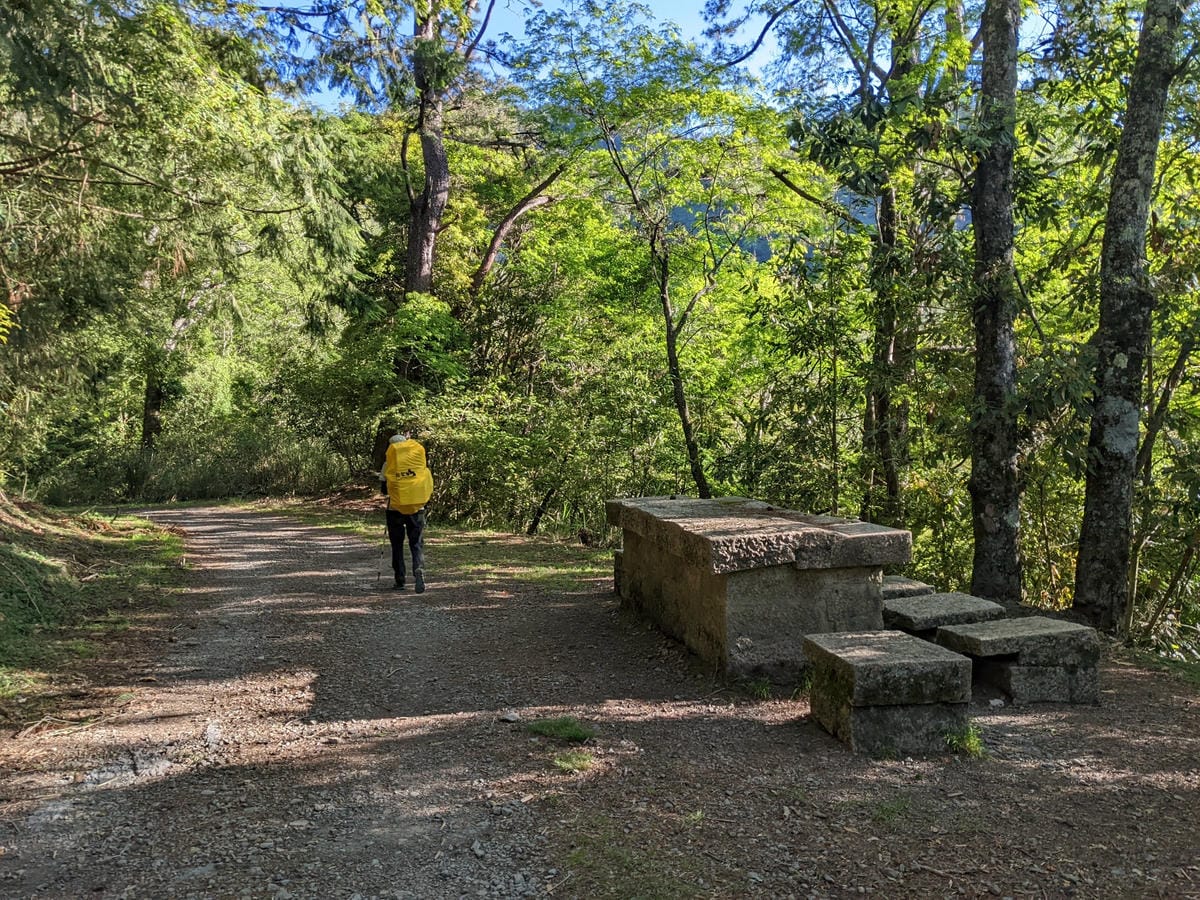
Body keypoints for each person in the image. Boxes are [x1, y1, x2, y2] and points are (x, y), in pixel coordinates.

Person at [379, 427, 433, 592]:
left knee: (397, 545)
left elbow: (384, 490)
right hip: (417, 508)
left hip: (395, 509)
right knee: (416, 543)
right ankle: (418, 570)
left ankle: (400, 580)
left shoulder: (388, 465)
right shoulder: (418, 463)